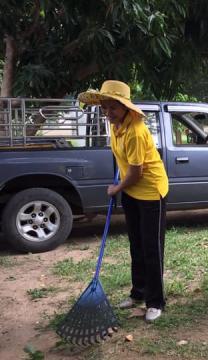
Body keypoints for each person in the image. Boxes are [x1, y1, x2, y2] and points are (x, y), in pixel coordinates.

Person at [78, 80, 169, 322]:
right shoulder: (117, 127)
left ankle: (155, 302)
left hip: (150, 192)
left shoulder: (136, 131)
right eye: (104, 108)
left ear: (125, 107)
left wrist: (116, 187)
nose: (108, 113)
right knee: (136, 245)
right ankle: (138, 293)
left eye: (113, 108)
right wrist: (121, 184)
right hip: (132, 192)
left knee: (152, 248)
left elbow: (137, 172)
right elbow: (124, 161)